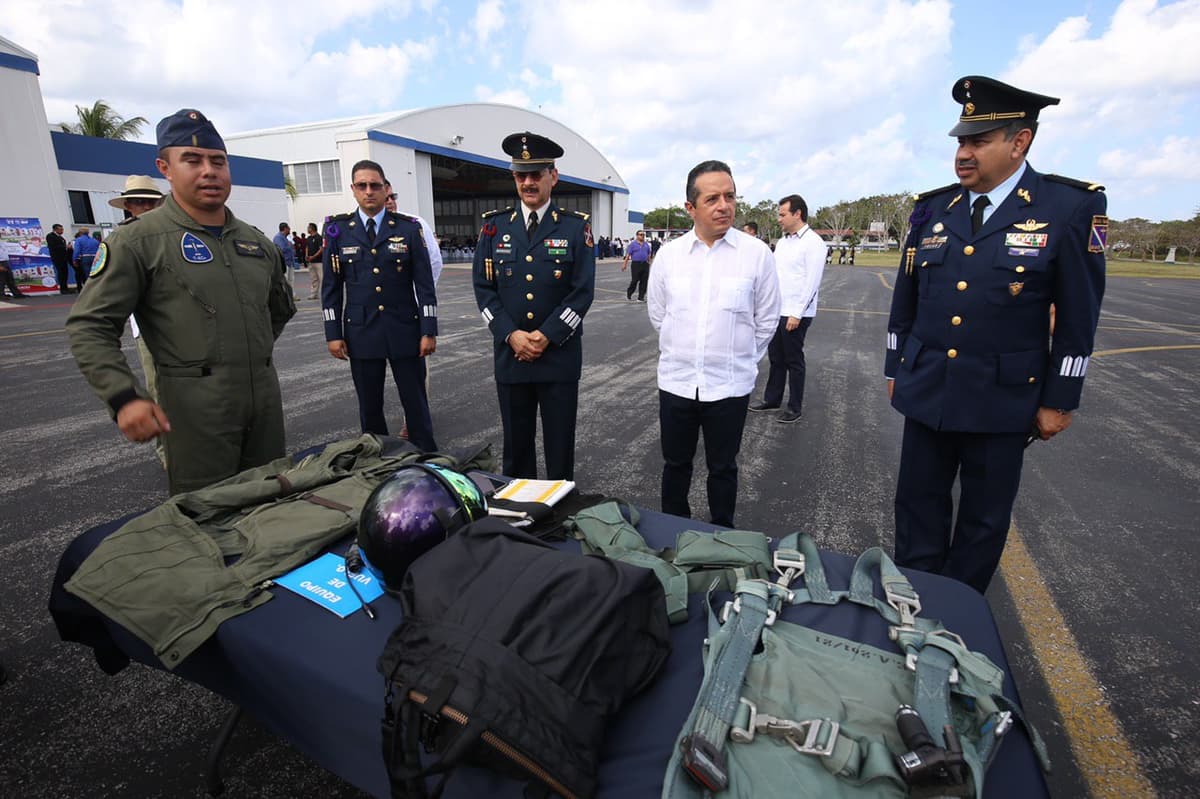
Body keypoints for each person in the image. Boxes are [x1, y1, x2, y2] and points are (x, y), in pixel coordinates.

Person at [885, 75, 1107, 593]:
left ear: (1019, 141)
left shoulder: (1067, 208)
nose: (963, 153)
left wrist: (1061, 398)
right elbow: (906, 298)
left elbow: (1078, 316)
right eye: (961, 141)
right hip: (929, 389)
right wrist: (896, 367)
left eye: (978, 141)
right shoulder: (932, 209)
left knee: (983, 521)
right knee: (916, 507)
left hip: (1002, 399)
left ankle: (959, 615)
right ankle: (913, 607)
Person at [66, 108, 296, 496]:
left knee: (274, 505)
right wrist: (124, 397)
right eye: (192, 160)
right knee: (206, 517)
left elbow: (278, 308)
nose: (209, 171)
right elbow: (90, 326)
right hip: (194, 411)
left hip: (264, 403)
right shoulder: (139, 241)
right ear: (165, 168)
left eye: (218, 161)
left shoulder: (256, 243)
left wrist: (243, 352)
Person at [648, 160, 780, 527]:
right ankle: (673, 533)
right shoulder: (670, 257)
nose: (724, 205)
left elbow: (767, 319)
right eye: (712, 199)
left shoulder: (756, 255)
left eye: (730, 196)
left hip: (729, 386)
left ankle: (722, 535)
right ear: (691, 208)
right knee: (675, 466)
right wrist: (685, 349)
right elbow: (659, 314)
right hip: (677, 382)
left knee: (723, 468)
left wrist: (741, 359)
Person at [472, 131, 596, 479]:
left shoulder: (575, 229)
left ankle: (558, 520)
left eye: (536, 174)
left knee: (560, 450)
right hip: (511, 356)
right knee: (517, 449)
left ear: (552, 177)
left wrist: (546, 335)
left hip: (559, 355)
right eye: (520, 175)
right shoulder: (493, 229)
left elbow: (582, 292)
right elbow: (483, 290)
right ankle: (520, 519)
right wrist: (510, 335)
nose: (528, 182)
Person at [322, 160, 438, 450]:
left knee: (416, 404)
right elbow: (332, 287)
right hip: (361, 331)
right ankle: (376, 461)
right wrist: (333, 333)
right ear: (353, 190)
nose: (369, 191)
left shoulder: (408, 229)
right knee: (369, 406)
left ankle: (426, 458)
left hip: (405, 330)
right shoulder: (338, 231)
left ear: (386, 189)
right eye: (362, 186)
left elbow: (424, 285)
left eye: (375, 185)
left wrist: (429, 329)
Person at [749, 194, 826, 424]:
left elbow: (812, 282)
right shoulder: (783, 242)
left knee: (794, 360)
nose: (779, 219)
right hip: (777, 310)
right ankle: (772, 399)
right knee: (776, 358)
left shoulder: (813, 243)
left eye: (783, 214)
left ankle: (794, 407)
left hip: (796, 313)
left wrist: (797, 313)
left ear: (797, 214)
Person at [108, 175, 167, 466]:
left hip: (186, 327)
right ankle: (167, 453)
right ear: (128, 206)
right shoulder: (122, 240)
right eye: (138, 202)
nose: (145, 207)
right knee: (157, 388)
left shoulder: (174, 234)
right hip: (146, 329)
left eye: (150, 201)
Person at [621, 229, 652, 301]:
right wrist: (624, 264)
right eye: (641, 235)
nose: (642, 236)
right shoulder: (633, 244)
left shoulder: (646, 244)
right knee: (635, 280)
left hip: (645, 264)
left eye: (643, 235)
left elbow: (648, 254)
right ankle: (629, 293)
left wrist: (649, 262)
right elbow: (628, 255)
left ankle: (641, 297)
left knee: (644, 281)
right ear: (637, 236)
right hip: (636, 264)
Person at [272, 222, 297, 298]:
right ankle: (285, 296)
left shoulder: (286, 238)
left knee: (291, 280)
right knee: (285, 280)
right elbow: (281, 249)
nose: (289, 230)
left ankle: (291, 295)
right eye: (288, 228)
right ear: (285, 229)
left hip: (290, 262)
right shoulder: (278, 237)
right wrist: (290, 246)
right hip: (284, 263)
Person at [47, 223, 72, 294]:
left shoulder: (61, 238)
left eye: (62, 229)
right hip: (57, 258)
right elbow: (53, 246)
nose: (62, 231)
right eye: (60, 229)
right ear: (55, 229)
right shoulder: (50, 236)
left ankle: (65, 288)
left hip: (64, 257)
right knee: (61, 273)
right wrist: (65, 247)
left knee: (65, 273)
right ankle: (62, 289)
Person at [304, 222, 324, 299]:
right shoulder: (308, 238)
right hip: (311, 262)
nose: (307, 229)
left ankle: (324, 293)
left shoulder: (319, 237)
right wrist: (306, 255)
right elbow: (307, 247)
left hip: (319, 262)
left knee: (322, 278)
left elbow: (321, 249)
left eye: (308, 228)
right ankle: (314, 294)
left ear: (312, 228)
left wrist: (313, 256)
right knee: (313, 279)